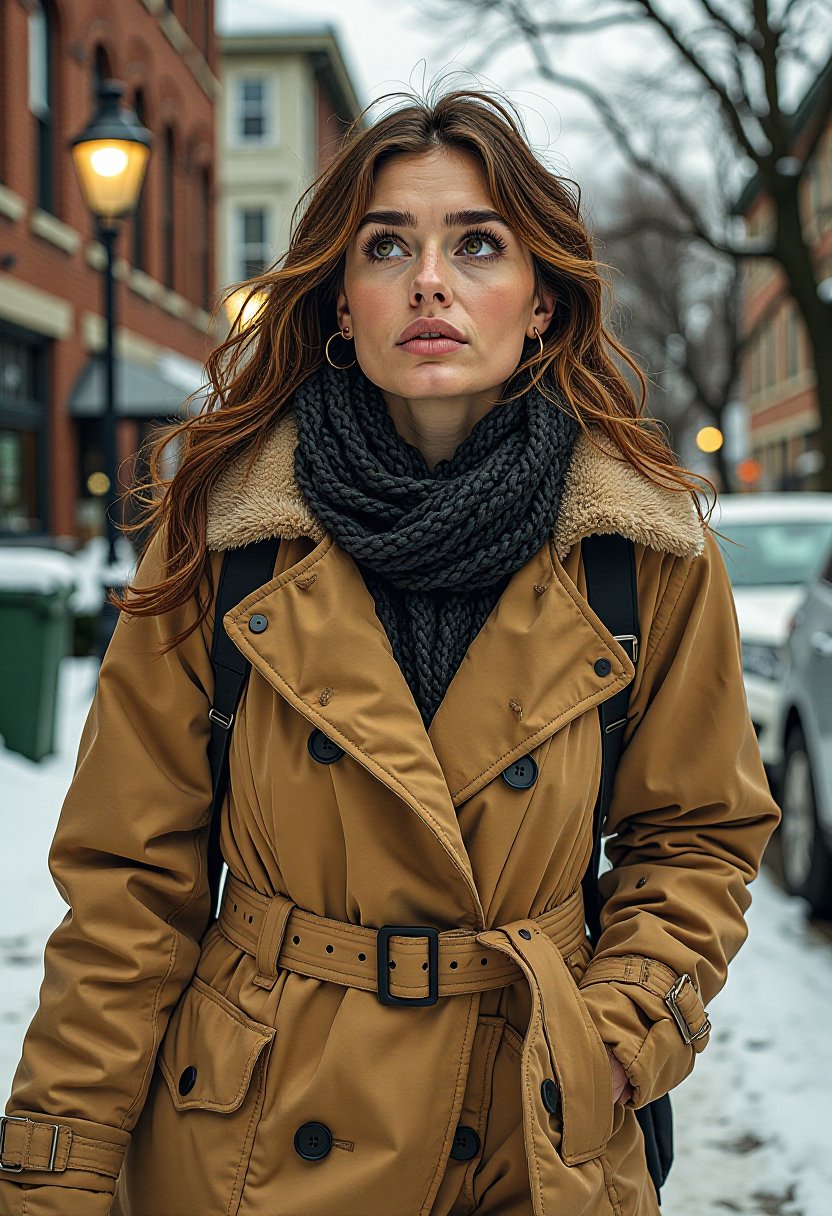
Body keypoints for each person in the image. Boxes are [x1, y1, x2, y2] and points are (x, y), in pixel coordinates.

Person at [0, 89, 780, 1216]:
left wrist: (610, 1043)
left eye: (476, 243)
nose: (430, 280)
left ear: (542, 304)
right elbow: (128, 891)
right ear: (340, 306)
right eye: (386, 246)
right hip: (256, 1137)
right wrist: (53, 1173)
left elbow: (698, 834)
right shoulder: (227, 539)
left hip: (529, 1128)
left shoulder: (639, 547)